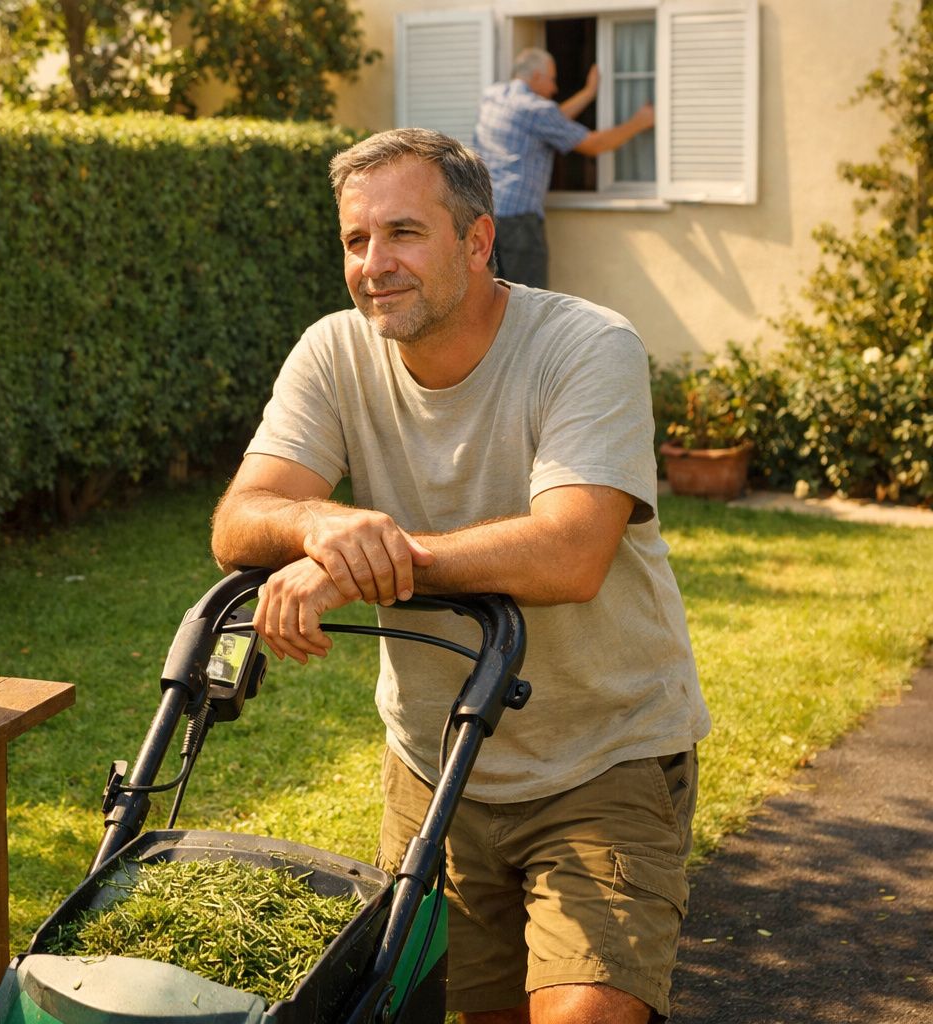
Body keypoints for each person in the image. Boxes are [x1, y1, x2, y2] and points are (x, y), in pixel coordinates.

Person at [209, 128, 709, 1023]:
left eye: (403, 233)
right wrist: (326, 525)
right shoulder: (334, 351)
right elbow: (240, 521)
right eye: (355, 242)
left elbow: (570, 553)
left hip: (603, 757)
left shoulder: (588, 347)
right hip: (436, 769)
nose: (374, 265)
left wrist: (365, 567)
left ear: (477, 242)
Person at [472, 48, 655, 288]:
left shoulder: (494, 96)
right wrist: (640, 122)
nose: (555, 89)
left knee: (491, 296)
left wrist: (588, 93)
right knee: (528, 303)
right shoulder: (537, 110)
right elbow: (595, 145)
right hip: (519, 224)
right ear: (536, 76)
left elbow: (552, 121)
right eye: (552, 79)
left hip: (485, 217)